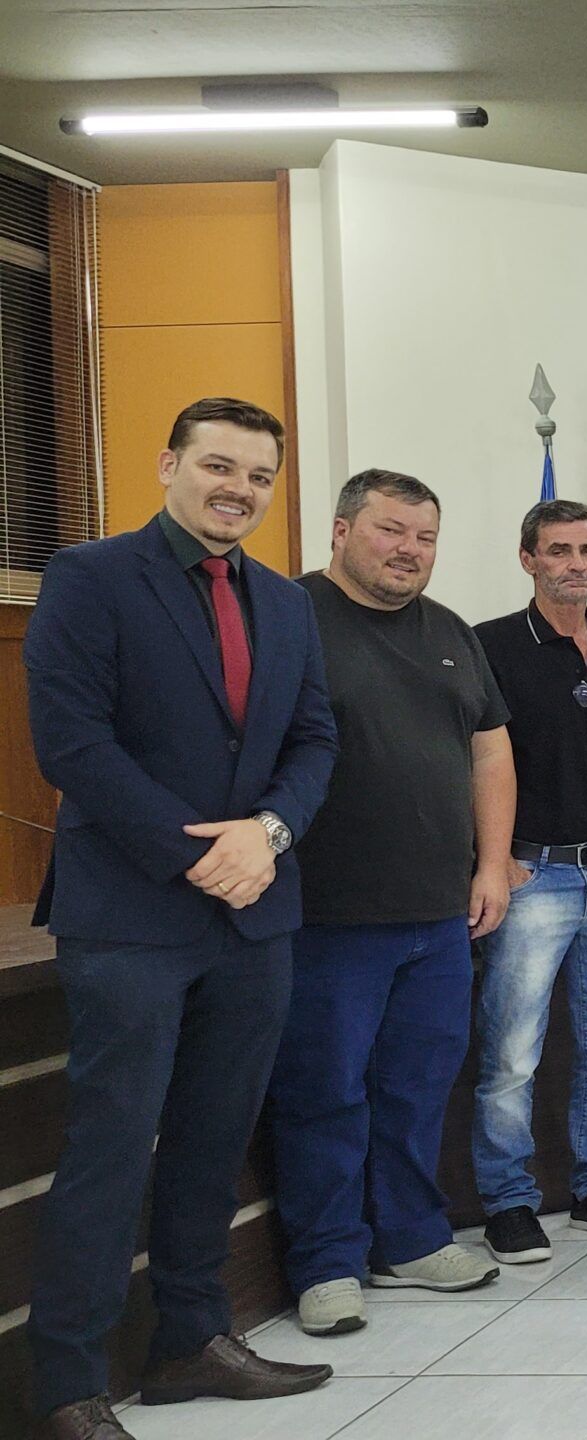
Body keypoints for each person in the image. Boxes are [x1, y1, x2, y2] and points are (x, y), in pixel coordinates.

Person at [23, 398, 337, 1438]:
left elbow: (314, 742)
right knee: (112, 1146)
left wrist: (271, 835)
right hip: (131, 918)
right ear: (168, 464)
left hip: (256, 914)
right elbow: (71, 744)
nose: (237, 489)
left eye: (257, 476)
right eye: (218, 465)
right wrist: (204, 850)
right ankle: (69, 1384)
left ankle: (191, 1343)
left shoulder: (286, 605)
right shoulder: (91, 577)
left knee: (212, 1140)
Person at [270, 469, 512, 1336]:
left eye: (425, 537)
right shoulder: (287, 616)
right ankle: (328, 1261)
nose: (409, 550)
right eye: (390, 531)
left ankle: (409, 1238)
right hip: (326, 913)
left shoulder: (450, 631)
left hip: (439, 912)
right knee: (324, 1090)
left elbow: (490, 754)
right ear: (341, 531)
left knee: (417, 1086)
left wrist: (491, 866)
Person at [469, 499, 587, 1264]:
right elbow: (471, 761)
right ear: (528, 560)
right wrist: (491, 857)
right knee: (513, 1053)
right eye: (558, 551)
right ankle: (509, 1202)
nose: (576, 563)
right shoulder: (489, 648)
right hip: (531, 876)